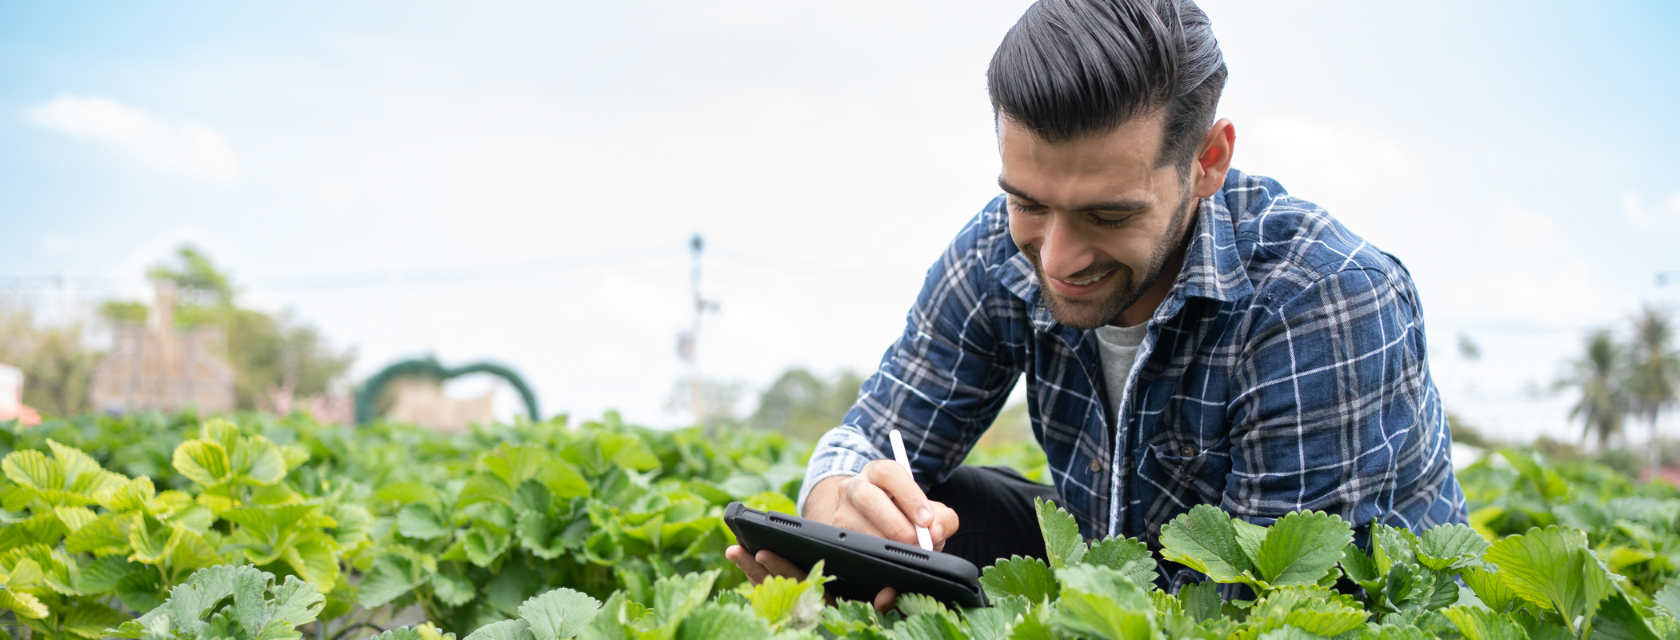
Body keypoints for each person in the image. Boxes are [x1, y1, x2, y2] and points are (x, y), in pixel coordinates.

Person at [728, 0, 1467, 609]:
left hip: (1295, 606)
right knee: (923, 512)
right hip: (1120, 565)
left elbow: (1274, 607)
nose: (1057, 259)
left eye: (1108, 216)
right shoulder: (997, 248)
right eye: (1028, 202)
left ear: (1206, 162)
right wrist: (836, 513)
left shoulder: (1321, 299)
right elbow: (872, 433)